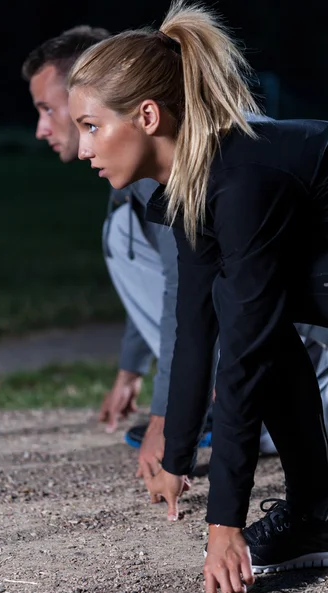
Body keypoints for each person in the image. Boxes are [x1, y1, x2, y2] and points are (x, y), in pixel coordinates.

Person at [67, 1, 328, 593]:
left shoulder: (240, 187)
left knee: (257, 327)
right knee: (246, 313)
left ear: (148, 115)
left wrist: (224, 524)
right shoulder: (196, 182)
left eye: (91, 126)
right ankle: (317, 514)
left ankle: (317, 509)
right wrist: (176, 454)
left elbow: (241, 359)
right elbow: (194, 327)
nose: (84, 149)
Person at [22, 25, 328, 481]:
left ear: (142, 113)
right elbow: (189, 307)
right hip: (284, 321)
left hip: (304, 343)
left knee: (240, 318)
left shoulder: (213, 173)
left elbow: (194, 306)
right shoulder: (165, 170)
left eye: (55, 109)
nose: (44, 127)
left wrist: (169, 426)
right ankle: (309, 505)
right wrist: (139, 383)